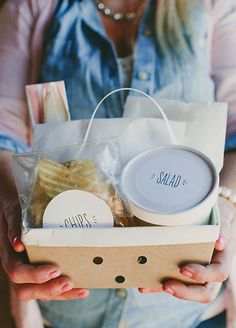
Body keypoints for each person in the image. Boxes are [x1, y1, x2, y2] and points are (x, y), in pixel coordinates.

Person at [0, 0, 236, 327]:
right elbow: (3, 134)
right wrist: (15, 209)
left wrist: (225, 205)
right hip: (65, 308)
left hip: (190, 311)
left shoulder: (214, 6)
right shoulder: (32, 6)